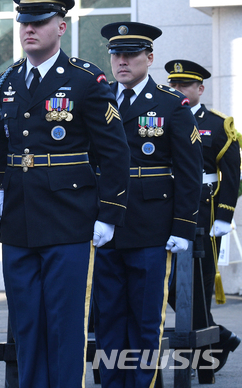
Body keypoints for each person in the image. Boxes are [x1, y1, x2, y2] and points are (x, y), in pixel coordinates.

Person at [0, 0, 130, 387]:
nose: (29, 29)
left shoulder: (86, 79)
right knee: (26, 324)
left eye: (39, 22)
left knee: (65, 323)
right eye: (24, 22)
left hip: (69, 217)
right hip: (19, 218)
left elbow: (115, 152)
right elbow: (2, 143)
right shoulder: (8, 81)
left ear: (61, 27)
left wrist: (110, 214)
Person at [93, 23, 203, 386]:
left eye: (130, 55)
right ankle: (111, 383)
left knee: (144, 320)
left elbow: (190, 171)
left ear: (149, 58)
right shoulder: (100, 98)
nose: (121, 62)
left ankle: (144, 383)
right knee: (107, 317)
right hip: (107, 223)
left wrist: (184, 226)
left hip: (152, 226)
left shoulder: (171, 104)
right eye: (115, 54)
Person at [165, 59, 241, 380]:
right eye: (174, 85)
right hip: (169, 207)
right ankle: (219, 337)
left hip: (205, 210)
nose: (178, 90)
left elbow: (232, 173)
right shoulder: (163, 118)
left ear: (200, 88)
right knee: (173, 290)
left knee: (200, 282)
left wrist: (225, 215)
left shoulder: (217, 123)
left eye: (185, 85)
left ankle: (205, 360)